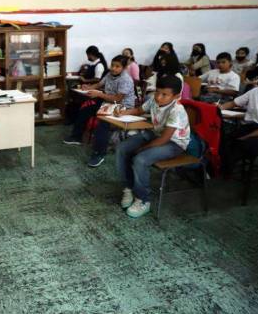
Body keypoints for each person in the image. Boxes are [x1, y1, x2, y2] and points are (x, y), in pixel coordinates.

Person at [114, 75, 190, 218]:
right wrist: (123, 112)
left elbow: (165, 139)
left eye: (164, 95)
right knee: (122, 148)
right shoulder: (154, 101)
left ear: (176, 96)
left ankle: (143, 199)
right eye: (157, 92)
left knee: (140, 159)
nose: (159, 97)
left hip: (174, 143)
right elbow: (139, 110)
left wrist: (142, 148)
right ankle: (128, 187)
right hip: (155, 135)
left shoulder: (177, 110)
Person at [64, 56, 135, 154]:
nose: (113, 68)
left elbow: (118, 99)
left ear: (124, 68)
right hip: (109, 103)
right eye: (112, 65)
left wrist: (99, 94)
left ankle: (99, 152)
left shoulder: (125, 79)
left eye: (117, 66)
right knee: (85, 109)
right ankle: (77, 137)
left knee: (103, 122)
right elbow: (99, 84)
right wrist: (88, 87)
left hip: (122, 107)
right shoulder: (110, 74)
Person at [219, 68, 258, 175]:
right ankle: (223, 168)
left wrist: (246, 137)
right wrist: (218, 108)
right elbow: (234, 103)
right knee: (225, 139)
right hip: (253, 126)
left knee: (244, 144)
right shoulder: (256, 91)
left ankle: (225, 170)